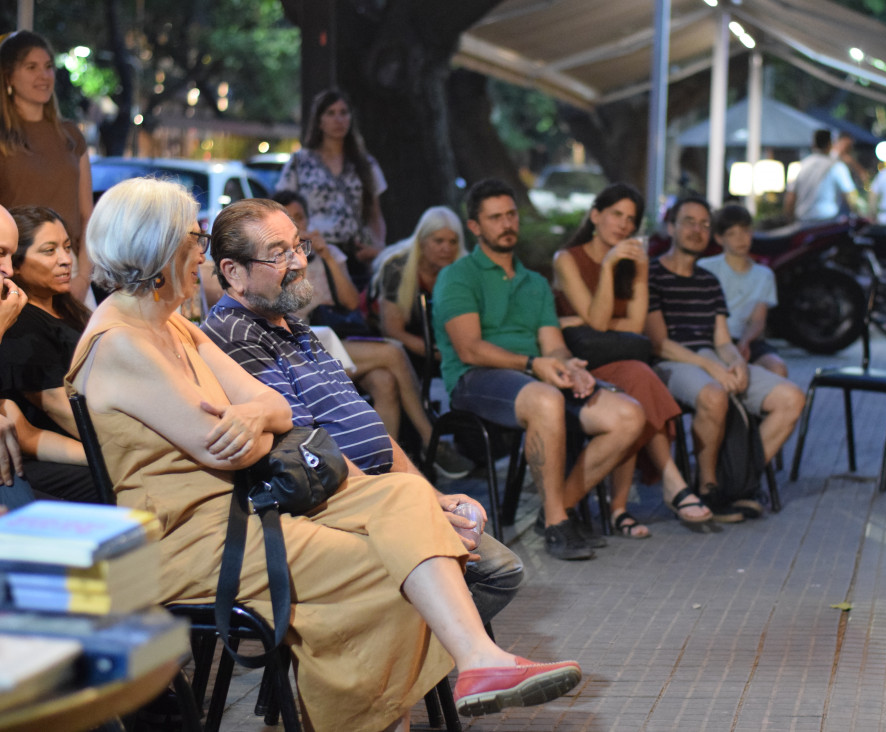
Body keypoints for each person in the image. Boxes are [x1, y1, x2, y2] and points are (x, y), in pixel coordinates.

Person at [65, 177, 580, 730]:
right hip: (196, 540)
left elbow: (273, 411)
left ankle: (479, 661)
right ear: (157, 246)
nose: (202, 256)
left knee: (408, 495)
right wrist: (258, 418)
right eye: (194, 239)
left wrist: (256, 414)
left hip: (245, 512)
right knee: (391, 570)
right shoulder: (121, 343)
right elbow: (229, 452)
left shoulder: (174, 328)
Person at [202, 197, 520, 624]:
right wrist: (409, 505)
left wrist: (433, 495)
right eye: (279, 254)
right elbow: (307, 451)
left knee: (499, 565)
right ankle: (422, 668)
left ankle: (424, 665)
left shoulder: (291, 324)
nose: (298, 262)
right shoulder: (234, 333)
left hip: (378, 494)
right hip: (332, 511)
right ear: (233, 272)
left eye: (298, 246)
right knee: (490, 571)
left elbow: (363, 425)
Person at [433, 179, 645, 560]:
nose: (507, 224)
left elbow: (554, 344)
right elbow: (470, 348)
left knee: (629, 414)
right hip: (474, 380)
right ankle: (557, 521)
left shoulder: (534, 282)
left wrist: (571, 366)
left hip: (535, 378)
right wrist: (534, 364)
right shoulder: (458, 275)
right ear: (476, 227)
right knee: (547, 398)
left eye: (511, 215)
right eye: (495, 218)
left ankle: (556, 512)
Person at [265, 190, 472, 479]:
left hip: (335, 341)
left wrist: (323, 255)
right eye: (290, 218)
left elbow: (351, 302)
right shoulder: (270, 261)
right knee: (393, 352)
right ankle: (429, 440)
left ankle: (383, 472)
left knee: (385, 381)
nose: (297, 223)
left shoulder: (324, 253)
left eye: (300, 216)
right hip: (299, 346)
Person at [553, 183, 711, 536]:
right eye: (616, 215)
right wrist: (608, 268)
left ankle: (627, 504)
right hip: (580, 362)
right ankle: (650, 493)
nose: (623, 226)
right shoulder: (567, 259)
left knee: (637, 378)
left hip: (623, 358)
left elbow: (634, 327)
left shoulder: (636, 262)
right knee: (640, 376)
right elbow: (596, 324)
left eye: (631, 219)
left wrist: (594, 319)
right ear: (596, 216)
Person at [646, 196, 805, 519]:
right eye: (689, 222)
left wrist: (735, 362)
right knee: (715, 394)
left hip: (711, 356)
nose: (697, 230)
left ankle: (736, 483)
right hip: (671, 361)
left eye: (704, 224)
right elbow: (659, 344)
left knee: (791, 398)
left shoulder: (708, 280)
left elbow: (722, 339)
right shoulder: (652, 275)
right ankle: (708, 486)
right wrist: (712, 367)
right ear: (671, 227)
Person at [0, 205, 97, 503]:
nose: (66, 260)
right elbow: (31, 428)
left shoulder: (69, 309)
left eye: (68, 248)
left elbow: (13, 420)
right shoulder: (20, 321)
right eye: (49, 250)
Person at [0, 31, 93, 302]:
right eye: (32, 67)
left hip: (69, 267)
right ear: (8, 76)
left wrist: (83, 278)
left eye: (49, 67)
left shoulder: (70, 134)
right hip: (15, 270)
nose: (44, 76)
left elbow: (88, 215)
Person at [277, 88, 386, 290]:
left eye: (344, 113)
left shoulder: (366, 164)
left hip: (355, 254)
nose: (338, 119)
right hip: (315, 253)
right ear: (319, 120)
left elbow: (375, 213)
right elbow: (281, 209)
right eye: (331, 113)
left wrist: (377, 247)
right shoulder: (300, 162)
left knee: (355, 314)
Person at [698, 204, 788, 378]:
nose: (741, 239)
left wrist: (745, 341)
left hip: (745, 339)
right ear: (719, 238)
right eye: (732, 234)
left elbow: (758, 320)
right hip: (710, 339)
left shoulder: (764, 275)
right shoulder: (705, 268)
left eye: (745, 231)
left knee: (777, 368)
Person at [377, 206, 466, 376]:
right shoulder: (397, 268)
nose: (446, 248)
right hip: (408, 351)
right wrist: (437, 353)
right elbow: (392, 330)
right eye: (439, 241)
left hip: (453, 351)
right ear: (422, 241)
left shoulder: (464, 270)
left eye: (453, 242)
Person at [783, 129, 858, 222]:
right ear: (830, 144)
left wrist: (790, 219)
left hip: (803, 224)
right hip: (827, 225)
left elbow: (790, 197)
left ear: (813, 144)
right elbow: (851, 196)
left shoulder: (801, 166)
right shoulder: (837, 166)